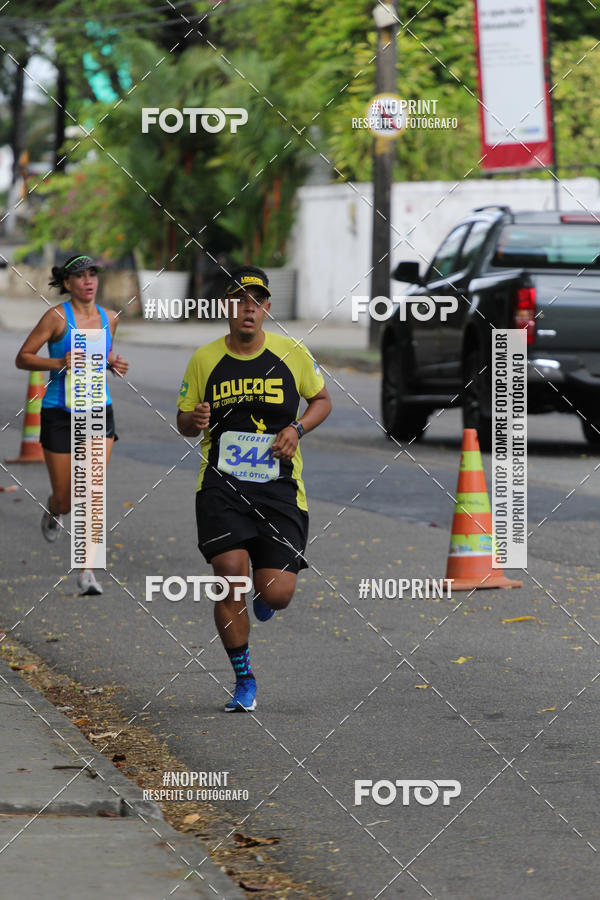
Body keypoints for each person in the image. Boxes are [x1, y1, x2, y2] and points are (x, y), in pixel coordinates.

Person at [176, 265, 332, 711]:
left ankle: (266, 595)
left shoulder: (291, 352)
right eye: (239, 300)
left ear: (267, 308)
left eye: (256, 301)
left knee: (277, 594)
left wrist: (297, 429)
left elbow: (322, 400)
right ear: (227, 307)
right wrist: (194, 420)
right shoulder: (204, 359)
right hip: (221, 485)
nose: (248, 308)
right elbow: (184, 421)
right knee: (230, 578)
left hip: (278, 487)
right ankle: (243, 679)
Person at [15, 254, 129, 595]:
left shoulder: (110, 318)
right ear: (68, 283)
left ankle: (87, 571)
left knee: (92, 491)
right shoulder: (56, 318)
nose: (88, 281)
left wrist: (113, 363)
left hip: (98, 411)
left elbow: (102, 356)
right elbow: (23, 358)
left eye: (92, 274)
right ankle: (54, 509)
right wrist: (59, 362)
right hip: (59, 413)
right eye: (80, 276)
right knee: (67, 499)